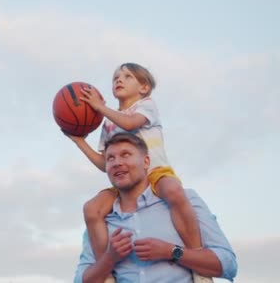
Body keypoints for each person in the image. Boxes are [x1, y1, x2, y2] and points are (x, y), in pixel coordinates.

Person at [66, 63, 209, 281]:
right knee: (92, 208)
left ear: (143, 87)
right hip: (125, 183)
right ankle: (107, 272)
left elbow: (131, 123)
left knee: (174, 190)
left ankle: (197, 261)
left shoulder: (146, 105)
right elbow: (105, 163)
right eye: (115, 77)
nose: (118, 80)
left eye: (127, 76)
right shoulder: (108, 125)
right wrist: (79, 141)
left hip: (156, 172)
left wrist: (99, 107)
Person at [73, 132, 237, 283]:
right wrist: (109, 259)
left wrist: (171, 251)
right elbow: (82, 280)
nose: (117, 163)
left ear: (146, 162)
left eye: (126, 155)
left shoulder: (185, 201)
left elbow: (227, 264)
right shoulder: (101, 219)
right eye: (110, 158)